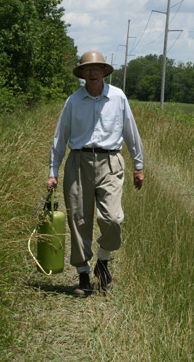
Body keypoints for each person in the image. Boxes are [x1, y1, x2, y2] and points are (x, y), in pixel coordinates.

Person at [46, 51, 144, 298]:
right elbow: (60, 138)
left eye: (96, 68)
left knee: (112, 219)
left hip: (111, 161)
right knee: (79, 220)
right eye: (87, 69)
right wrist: (52, 171)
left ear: (104, 71)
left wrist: (138, 164)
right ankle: (82, 273)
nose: (92, 73)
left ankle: (103, 260)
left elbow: (131, 131)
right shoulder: (73, 101)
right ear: (82, 74)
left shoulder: (118, 97)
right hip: (78, 161)